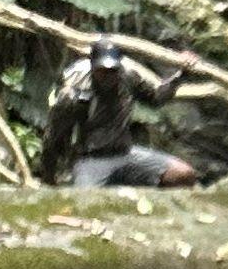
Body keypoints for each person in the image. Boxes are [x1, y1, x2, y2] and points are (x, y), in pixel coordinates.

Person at [39, 34, 202, 188]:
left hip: (125, 152)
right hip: (91, 159)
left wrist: (182, 74)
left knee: (183, 174)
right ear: (93, 66)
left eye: (112, 70)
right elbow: (53, 137)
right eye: (102, 71)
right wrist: (48, 178)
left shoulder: (127, 75)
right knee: (84, 201)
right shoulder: (75, 90)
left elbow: (156, 98)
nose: (108, 76)